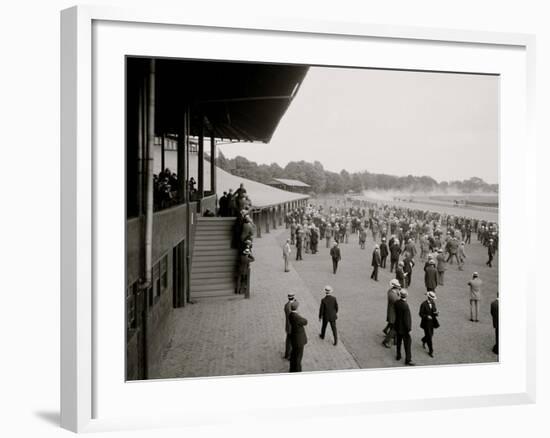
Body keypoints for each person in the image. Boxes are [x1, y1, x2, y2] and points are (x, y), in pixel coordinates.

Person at [394, 289, 415, 365]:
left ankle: (398, 355)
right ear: (406, 296)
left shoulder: (397, 303)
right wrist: (409, 329)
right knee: (407, 344)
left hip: (398, 326)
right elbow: (407, 319)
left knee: (399, 342)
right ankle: (408, 359)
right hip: (404, 329)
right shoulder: (405, 306)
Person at [289, 300, 308, 372]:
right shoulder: (297, 317)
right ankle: (298, 371)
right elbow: (305, 321)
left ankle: (292, 369)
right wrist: (298, 315)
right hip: (299, 340)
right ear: (296, 308)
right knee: (298, 357)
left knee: (293, 355)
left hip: (294, 338)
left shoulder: (291, 314)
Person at [419, 291, 439, 358]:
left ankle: (424, 340)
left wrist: (436, 313)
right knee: (429, 337)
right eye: (432, 298)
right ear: (429, 298)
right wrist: (426, 316)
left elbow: (434, 311)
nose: (433, 300)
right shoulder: (423, 304)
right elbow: (420, 314)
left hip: (432, 322)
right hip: (426, 323)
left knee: (431, 335)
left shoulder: (433, 303)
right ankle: (431, 351)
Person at [382, 279, 401, 348]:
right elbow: (398, 302)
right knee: (394, 327)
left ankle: (394, 338)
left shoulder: (393, 291)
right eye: (397, 286)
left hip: (393, 313)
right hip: (393, 313)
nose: (398, 287)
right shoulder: (392, 294)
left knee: (392, 324)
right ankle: (386, 341)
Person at [283, 293, 297, 360]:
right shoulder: (291, 307)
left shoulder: (286, 305)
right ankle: (289, 355)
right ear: (293, 297)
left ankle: (287, 354)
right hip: (292, 326)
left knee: (288, 340)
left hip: (288, 325)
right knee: (290, 341)